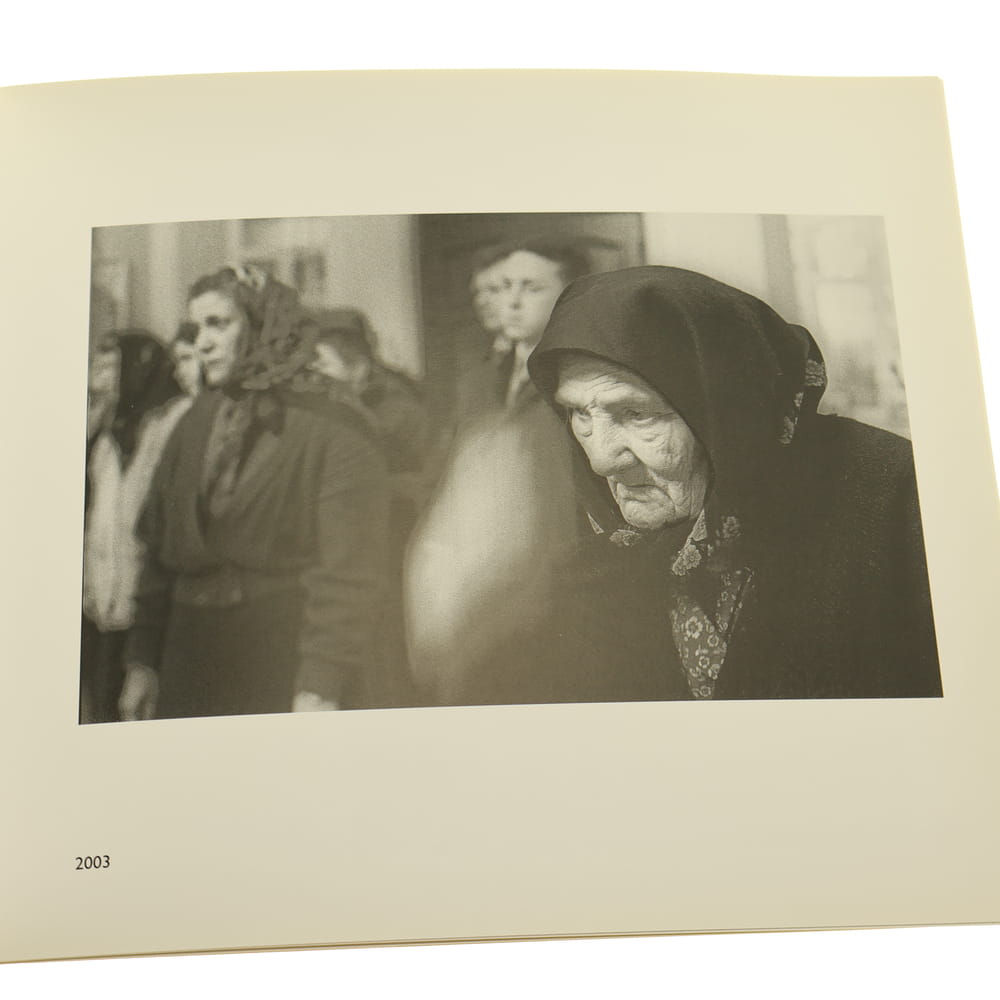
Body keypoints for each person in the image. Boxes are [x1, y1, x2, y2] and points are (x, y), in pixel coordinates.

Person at [458, 265, 942, 704]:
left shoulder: (899, 497)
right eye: (578, 414)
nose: (601, 459)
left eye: (637, 413)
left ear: (727, 407)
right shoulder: (595, 549)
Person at [118, 266, 389, 721]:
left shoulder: (336, 425)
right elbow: (157, 549)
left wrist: (320, 684)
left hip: (280, 656)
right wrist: (142, 662)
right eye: (196, 329)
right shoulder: (194, 420)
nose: (202, 344)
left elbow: (349, 573)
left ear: (264, 323)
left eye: (218, 324)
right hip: (188, 656)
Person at [404, 239, 591, 704]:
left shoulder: (583, 378)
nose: (511, 301)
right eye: (505, 287)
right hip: (484, 576)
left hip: (563, 576)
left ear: (569, 294)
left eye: (531, 288)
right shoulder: (481, 377)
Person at [81, 330, 193, 723]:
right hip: (103, 605)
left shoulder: (169, 426)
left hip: (146, 608)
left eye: (113, 367)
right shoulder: (110, 434)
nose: (101, 379)